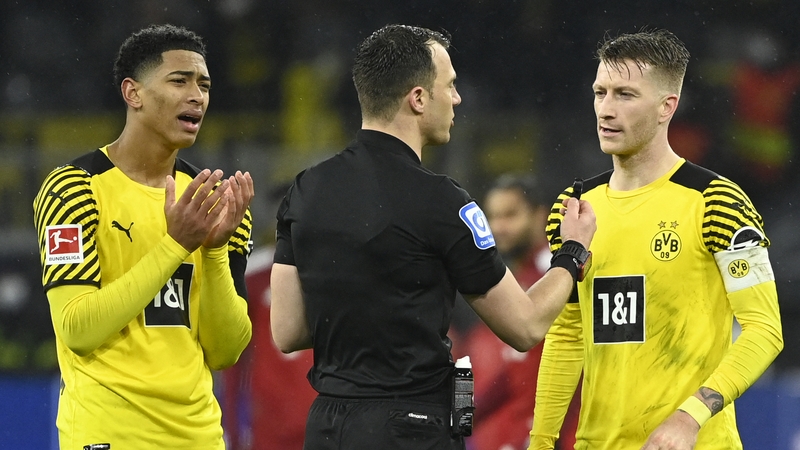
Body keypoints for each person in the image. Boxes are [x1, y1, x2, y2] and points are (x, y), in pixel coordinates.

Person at [270, 24, 596, 450]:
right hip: (410, 426)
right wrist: (571, 253)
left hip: (328, 426)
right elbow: (526, 325)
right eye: (451, 85)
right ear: (418, 98)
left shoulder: (304, 190)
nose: (457, 98)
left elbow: (288, 331)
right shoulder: (443, 202)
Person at [529, 29, 784, 450]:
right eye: (600, 92)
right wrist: (540, 442)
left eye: (625, 95)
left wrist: (691, 417)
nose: (605, 110)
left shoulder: (716, 202)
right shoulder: (573, 210)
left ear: (668, 106)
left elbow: (765, 330)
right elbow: (568, 334)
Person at [32, 24, 254, 449]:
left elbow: (225, 351)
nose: (197, 96)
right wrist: (174, 245)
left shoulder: (213, 202)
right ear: (132, 93)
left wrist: (214, 250)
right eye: (179, 81)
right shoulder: (74, 189)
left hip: (199, 437)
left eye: (204, 85)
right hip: (109, 435)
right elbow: (78, 329)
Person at [451, 174, 581, 450]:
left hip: (561, 435)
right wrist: (459, 419)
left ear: (539, 215)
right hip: (526, 433)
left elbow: (579, 362)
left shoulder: (558, 271)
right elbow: (514, 373)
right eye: (494, 217)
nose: (499, 227)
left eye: (510, 215)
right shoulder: (517, 277)